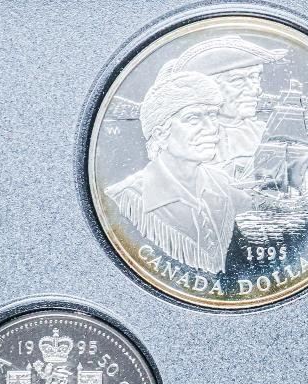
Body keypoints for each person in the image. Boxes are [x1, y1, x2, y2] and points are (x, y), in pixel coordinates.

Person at [105, 70, 251, 274]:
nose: (211, 128)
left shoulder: (221, 184)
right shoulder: (125, 199)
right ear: (160, 134)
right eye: (193, 119)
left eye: (212, 115)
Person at [169, 34, 287, 180]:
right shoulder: (188, 140)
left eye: (255, 78)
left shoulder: (264, 133)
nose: (256, 90)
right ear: (208, 89)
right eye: (238, 80)